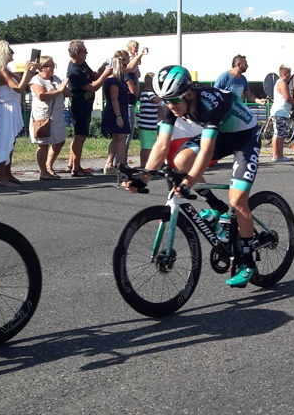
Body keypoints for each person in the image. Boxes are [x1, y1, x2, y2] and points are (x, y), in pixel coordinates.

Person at [126, 65, 262, 288]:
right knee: (179, 161)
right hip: (222, 135)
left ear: (189, 93)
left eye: (174, 101)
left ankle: (247, 262)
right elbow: (161, 145)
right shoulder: (174, 103)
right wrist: (144, 177)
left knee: (237, 200)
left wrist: (188, 183)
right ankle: (216, 205)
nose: (170, 106)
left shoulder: (210, 103)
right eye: (165, 101)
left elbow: (207, 151)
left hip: (245, 137)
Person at [65, 39, 112, 177]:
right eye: (84, 51)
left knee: (79, 136)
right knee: (80, 136)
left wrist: (103, 67)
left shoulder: (82, 64)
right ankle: (76, 168)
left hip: (85, 104)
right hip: (79, 105)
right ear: (77, 53)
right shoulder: (74, 71)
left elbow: (93, 76)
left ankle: (71, 163)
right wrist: (105, 75)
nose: (87, 53)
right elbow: (92, 87)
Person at [0, 42, 27, 187]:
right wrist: (28, 73)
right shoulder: (1, 70)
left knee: (10, 141)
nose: (13, 53)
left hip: (10, 105)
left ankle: (7, 174)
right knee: (4, 141)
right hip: (5, 108)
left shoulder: (5, 69)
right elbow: (18, 88)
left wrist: (27, 74)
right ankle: (2, 177)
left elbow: (21, 85)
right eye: (10, 51)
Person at [28, 55, 70, 179]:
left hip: (57, 116)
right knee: (43, 144)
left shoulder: (55, 78)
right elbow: (41, 95)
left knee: (60, 141)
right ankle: (43, 172)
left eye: (53, 65)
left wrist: (64, 88)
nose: (53, 68)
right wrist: (59, 90)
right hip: (43, 116)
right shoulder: (36, 80)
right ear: (42, 67)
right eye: (50, 66)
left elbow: (67, 93)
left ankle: (49, 166)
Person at [101, 50, 133, 175]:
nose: (126, 68)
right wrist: (119, 116)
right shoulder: (113, 81)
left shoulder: (120, 80)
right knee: (120, 137)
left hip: (122, 109)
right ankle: (120, 164)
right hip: (115, 111)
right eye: (124, 65)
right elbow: (114, 99)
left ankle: (111, 164)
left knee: (119, 137)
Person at [270, 65, 294, 161]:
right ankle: (278, 156)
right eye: (289, 73)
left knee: (278, 134)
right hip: (280, 112)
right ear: (284, 74)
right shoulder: (282, 84)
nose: (290, 75)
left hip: (280, 112)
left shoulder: (279, 83)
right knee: (281, 134)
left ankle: (276, 155)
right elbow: (287, 98)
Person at [137, 72, 160, 168]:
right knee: (148, 147)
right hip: (148, 125)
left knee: (147, 146)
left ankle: (144, 165)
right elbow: (156, 101)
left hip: (148, 124)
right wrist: (163, 94)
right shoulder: (149, 93)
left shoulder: (144, 93)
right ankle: (145, 165)